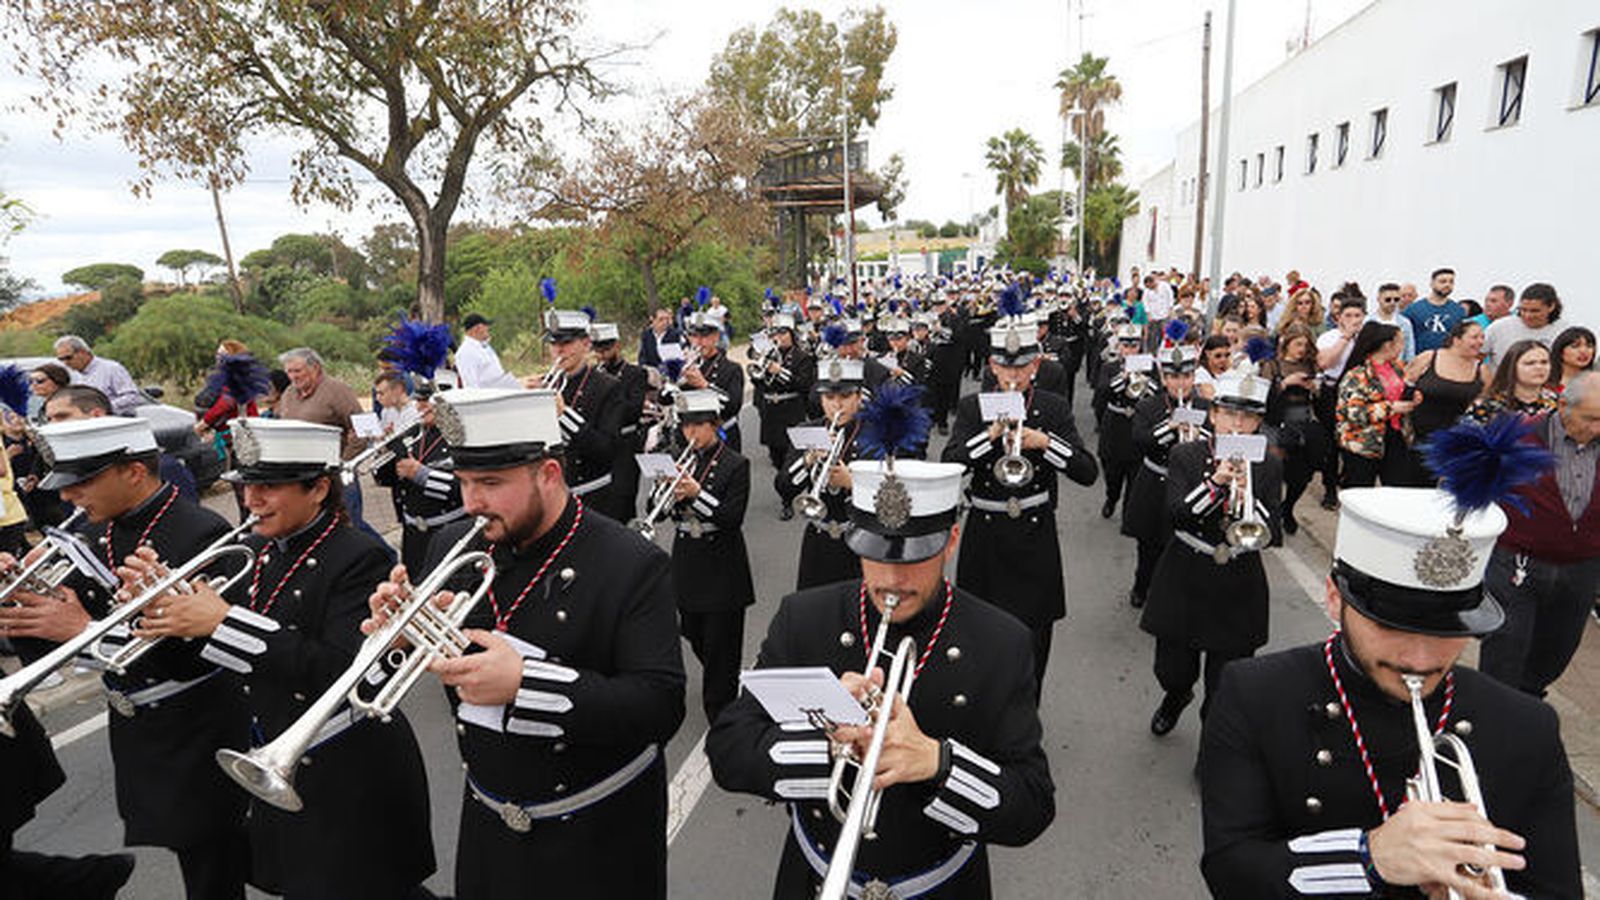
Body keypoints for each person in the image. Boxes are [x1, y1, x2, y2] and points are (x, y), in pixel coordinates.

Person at [365, 387, 685, 899]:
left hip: (597, 835)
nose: (471, 502)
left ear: (549, 474)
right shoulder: (455, 544)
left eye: (491, 482)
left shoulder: (630, 561)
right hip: (489, 821)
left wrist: (526, 683)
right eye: (465, 481)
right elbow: (437, 675)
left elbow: (660, 706)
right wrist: (403, 636)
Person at [1198, 485, 1580, 899]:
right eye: (1391, 625)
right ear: (1334, 599)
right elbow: (1229, 871)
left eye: (1446, 631)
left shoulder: (1529, 726)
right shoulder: (1255, 693)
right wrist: (1368, 858)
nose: (1419, 658)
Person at [707, 457, 1055, 898]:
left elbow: (1032, 805)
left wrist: (937, 763)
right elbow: (728, 749)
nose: (892, 578)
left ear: (950, 541)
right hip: (815, 877)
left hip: (939, 884)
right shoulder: (805, 618)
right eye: (874, 554)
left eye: (915, 557)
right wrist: (829, 746)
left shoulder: (1000, 641)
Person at [130, 417, 436, 898]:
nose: (251, 502)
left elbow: (341, 671)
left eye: (269, 487)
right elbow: (213, 658)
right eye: (246, 487)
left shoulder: (359, 556)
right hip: (278, 754)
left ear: (317, 488)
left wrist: (224, 621)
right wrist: (165, 612)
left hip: (350, 769)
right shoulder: (255, 549)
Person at [0, 416, 249, 899]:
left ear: (134, 472)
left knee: (215, 859)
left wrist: (84, 631)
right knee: (198, 848)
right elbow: (55, 644)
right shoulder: (99, 531)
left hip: (198, 720)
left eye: (83, 483)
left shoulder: (199, 531)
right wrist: (23, 601)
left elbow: (198, 656)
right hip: (140, 725)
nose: (69, 497)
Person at [944, 310, 1099, 691]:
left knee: (1034, 640)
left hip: (1034, 536)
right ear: (993, 366)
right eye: (1004, 366)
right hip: (985, 534)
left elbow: (1087, 471)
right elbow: (950, 464)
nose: (1013, 376)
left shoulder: (1053, 408)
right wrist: (989, 436)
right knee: (978, 637)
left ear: (1036, 365)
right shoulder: (972, 407)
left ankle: (1026, 716)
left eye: (1022, 367)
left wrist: (1045, 443)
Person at [1142, 362, 1282, 735]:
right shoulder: (1186, 455)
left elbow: (1274, 531)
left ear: (1258, 423)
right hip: (1185, 572)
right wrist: (1217, 484)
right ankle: (1176, 695)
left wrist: (1246, 491)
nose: (1237, 424)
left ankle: (1211, 750)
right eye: (1229, 413)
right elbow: (1175, 515)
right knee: (1171, 669)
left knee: (1225, 684)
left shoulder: (1268, 464)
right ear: (1214, 414)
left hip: (1238, 580)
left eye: (1247, 417)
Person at [1478, 373, 1600, 698]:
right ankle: (1492, 715)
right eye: (1591, 418)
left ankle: (1528, 707)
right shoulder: (1516, 435)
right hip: (1516, 564)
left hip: (1581, 568)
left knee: (1554, 653)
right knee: (1505, 648)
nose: (1597, 428)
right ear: (1562, 405)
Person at [664, 389, 754, 725]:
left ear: (715, 424)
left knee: (720, 646)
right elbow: (653, 513)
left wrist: (697, 495)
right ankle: (725, 678)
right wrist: (664, 492)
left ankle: (722, 715)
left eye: (699, 426)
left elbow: (732, 518)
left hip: (722, 566)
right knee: (694, 632)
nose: (691, 434)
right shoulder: (676, 458)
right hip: (687, 560)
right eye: (686, 426)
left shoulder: (735, 464)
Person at [274, 347, 389, 552]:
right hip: (304, 477)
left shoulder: (337, 391)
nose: (292, 377)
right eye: (289, 372)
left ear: (315, 367)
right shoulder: (289, 394)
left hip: (337, 475)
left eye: (297, 371)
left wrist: (344, 464)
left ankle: (386, 558)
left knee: (351, 527)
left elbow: (363, 430)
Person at [1124, 345, 1207, 607]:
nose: (1180, 383)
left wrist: (1199, 437)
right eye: (1173, 377)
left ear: (1194, 377)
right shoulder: (1149, 405)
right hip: (1155, 482)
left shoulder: (1207, 406)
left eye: (1185, 377)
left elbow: (1219, 441)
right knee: (1149, 546)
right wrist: (1169, 428)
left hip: (1190, 486)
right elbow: (1139, 440)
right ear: (1164, 378)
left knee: (1184, 544)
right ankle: (1142, 585)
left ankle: (1174, 593)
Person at [776, 358, 869, 590]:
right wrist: (808, 459)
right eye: (829, 398)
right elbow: (784, 486)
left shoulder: (877, 434)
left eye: (845, 397)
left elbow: (894, 495)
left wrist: (853, 483)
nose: (837, 406)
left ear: (859, 397)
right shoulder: (807, 431)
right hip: (819, 539)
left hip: (862, 541)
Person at [527, 308, 626, 520]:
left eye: (566, 343)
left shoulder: (608, 386)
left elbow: (606, 450)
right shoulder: (542, 384)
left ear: (586, 344)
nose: (559, 351)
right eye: (554, 344)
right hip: (550, 497)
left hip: (592, 498)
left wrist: (564, 416)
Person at [43, 385, 198, 502]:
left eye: (62, 417)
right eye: (49, 419)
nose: (52, 426)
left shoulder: (159, 466)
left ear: (97, 415)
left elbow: (187, 527)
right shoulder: (71, 468)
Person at [372, 378, 462, 575]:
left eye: (427, 401)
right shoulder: (412, 434)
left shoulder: (460, 437)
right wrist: (385, 450)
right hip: (413, 533)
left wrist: (420, 474)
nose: (420, 406)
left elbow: (462, 488)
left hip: (447, 530)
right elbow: (385, 478)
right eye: (418, 401)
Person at [1335, 322, 1420, 488]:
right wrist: (1391, 408)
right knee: (1360, 491)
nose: (1403, 346)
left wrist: (1414, 397)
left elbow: (1403, 392)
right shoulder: (1357, 375)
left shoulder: (1398, 368)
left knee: (1398, 489)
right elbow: (1352, 412)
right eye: (1401, 341)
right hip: (1363, 442)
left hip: (1395, 436)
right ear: (1388, 345)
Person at [749, 312, 815, 518]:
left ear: (791, 334)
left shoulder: (803, 357)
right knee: (777, 458)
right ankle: (786, 496)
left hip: (792, 410)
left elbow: (804, 384)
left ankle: (802, 496)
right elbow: (759, 383)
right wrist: (758, 372)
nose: (780, 337)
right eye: (776, 333)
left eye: (783, 332)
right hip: (771, 412)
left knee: (794, 456)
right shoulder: (769, 354)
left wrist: (779, 371)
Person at [1405, 319, 1489, 479]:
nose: (1480, 342)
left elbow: (1486, 404)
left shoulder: (1481, 370)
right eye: (1475, 337)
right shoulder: (1429, 358)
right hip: (1419, 438)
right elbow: (1404, 386)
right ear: (1456, 339)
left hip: (1457, 444)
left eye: (1482, 337)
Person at [1262, 324, 1324, 535]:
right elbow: (1263, 396)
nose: (1301, 350)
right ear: (1286, 343)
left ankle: (1287, 508)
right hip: (1276, 422)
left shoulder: (1309, 365)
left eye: (1305, 346)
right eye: (1298, 344)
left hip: (1302, 421)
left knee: (1301, 475)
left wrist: (1314, 388)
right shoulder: (1273, 365)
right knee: (1275, 470)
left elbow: (1319, 400)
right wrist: (1285, 383)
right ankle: (1272, 515)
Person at [592, 319, 650, 521]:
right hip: (603, 442)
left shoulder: (636, 374)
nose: (601, 356)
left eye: (606, 350)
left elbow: (633, 411)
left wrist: (608, 393)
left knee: (624, 498)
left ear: (617, 345)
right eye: (597, 351)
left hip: (626, 444)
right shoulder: (594, 377)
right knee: (604, 499)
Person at [1093, 323, 1152, 518]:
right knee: (1112, 474)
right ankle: (1111, 497)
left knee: (1135, 476)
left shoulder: (1150, 368)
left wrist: (1144, 379)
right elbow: (1102, 392)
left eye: (1134, 346)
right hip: (1115, 424)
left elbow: (1158, 395)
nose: (1129, 350)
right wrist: (1123, 377)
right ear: (1119, 347)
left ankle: (1128, 512)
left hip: (1137, 424)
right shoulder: (1110, 367)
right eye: (1125, 346)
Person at [1314, 296, 1369, 506]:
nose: (1353, 319)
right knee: (1331, 443)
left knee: (1353, 442)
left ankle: (1348, 484)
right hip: (1332, 391)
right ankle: (1329, 487)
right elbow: (1326, 363)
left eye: (1358, 315)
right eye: (1348, 315)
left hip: (1359, 395)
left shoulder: (1368, 338)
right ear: (1339, 317)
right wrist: (1346, 337)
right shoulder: (1329, 338)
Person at [680, 308, 747, 452]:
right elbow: (666, 400)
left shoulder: (732, 369)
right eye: (694, 336)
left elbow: (733, 407)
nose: (698, 342)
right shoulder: (686, 367)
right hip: (692, 436)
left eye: (704, 337)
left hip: (723, 436)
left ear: (716, 337)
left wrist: (704, 385)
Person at [1464, 339, 1558, 424]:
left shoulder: (1558, 403)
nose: (1539, 367)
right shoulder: (1487, 406)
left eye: (1544, 362)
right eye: (1530, 363)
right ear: (1512, 367)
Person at [1482, 282, 1564, 372]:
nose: (1528, 315)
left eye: (1534, 311)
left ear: (1551, 307)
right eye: (1523, 310)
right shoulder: (1498, 327)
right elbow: (1476, 356)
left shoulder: (1563, 330)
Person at [52, 335, 142, 415]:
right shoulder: (73, 376)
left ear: (83, 352)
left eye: (68, 358)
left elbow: (133, 397)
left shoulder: (111, 369)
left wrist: (103, 408)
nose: (65, 363)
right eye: (61, 359)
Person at [1401, 267, 1464, 354]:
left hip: (1449, 361)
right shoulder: (1413, 309)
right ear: (1432, 284)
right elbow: (1404, 338)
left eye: (1451, 282)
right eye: (1443, 281)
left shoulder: (1458, 311)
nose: (1447, 285)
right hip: (1421, 361)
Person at [455, 312, 520, 389]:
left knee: (533, 381)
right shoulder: (465, 352)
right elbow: (471, 385)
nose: (488, 328)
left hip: (501, 389)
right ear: (476, 329)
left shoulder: (484, 346)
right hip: (491, 396)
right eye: (485, 326)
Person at [1368, 282, 1417, 362]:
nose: (1392, 303)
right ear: (1378, 299)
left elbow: (1409, 351)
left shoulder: (1405, 323)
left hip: (1397, 368)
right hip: (1372, 368)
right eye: (1388, 299)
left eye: (1396, 299)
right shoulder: (1368, 321)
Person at [1549, 326, 1596, 391]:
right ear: (1560, 351)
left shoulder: (1595, 384)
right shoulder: (1545, 383)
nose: (1583, 351)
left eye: (1589, 346)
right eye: (1575, 346)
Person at [1193, 334, 1232, 400]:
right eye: (1218, 356)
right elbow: (1211, 397)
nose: (1223, 359)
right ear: (1208, 354)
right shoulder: (1201, 374)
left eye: (1227, 355)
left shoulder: (1229, 372)